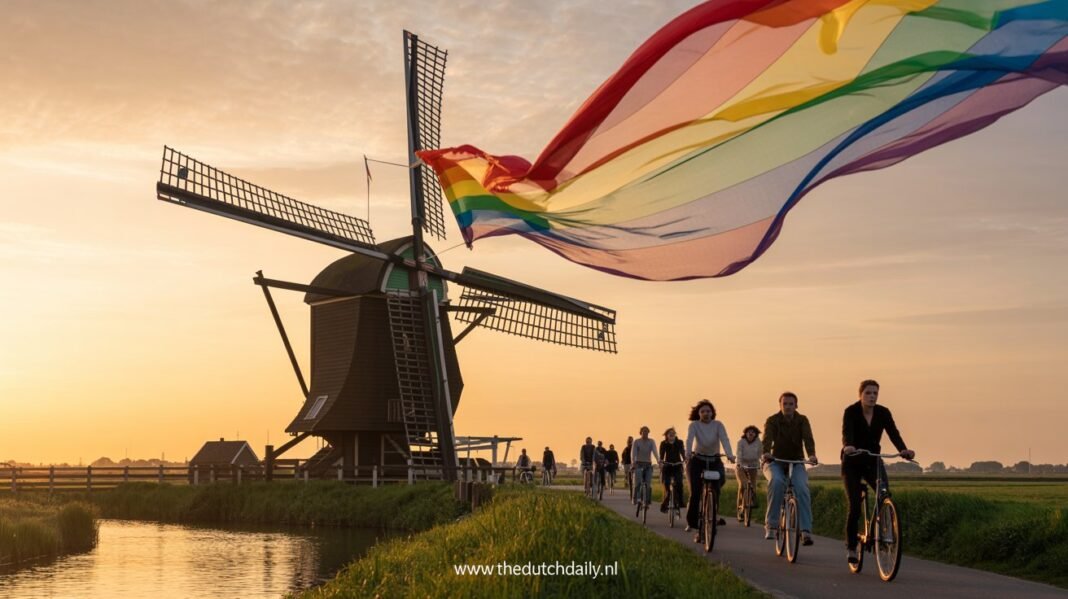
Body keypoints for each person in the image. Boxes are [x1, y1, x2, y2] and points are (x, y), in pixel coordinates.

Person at [842, 379, 915, 565]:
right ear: (860, 394)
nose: (872, 396)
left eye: (875, 393)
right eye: (868, 393)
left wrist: (903, 449)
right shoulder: (851, 411)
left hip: (872, 460)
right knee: (855, 506)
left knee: (884, 494)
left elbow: (893, 432)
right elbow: (847, 431)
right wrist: (848, 445)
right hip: (852, 461)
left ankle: (881, 532)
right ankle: (851, 546)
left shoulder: (883, 412)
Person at [762, 392, 818, 545]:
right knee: (777, 481)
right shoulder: (772, 420)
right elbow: (767, 438)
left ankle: (805, 531)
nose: (788, 406)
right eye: (785, 404)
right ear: (780, 405)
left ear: (796, 405)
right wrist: (766, 452)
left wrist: (812, 455)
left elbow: (808, 438)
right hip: (775, 461)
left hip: (796, 461)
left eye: (791, 404)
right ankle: (772, 525)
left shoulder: (802, 420)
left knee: (802, 487)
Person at [685, 399, 735, 540]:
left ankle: (712, 514)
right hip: (697, 461)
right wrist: (688, 453)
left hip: (714, 460)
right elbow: (689, 439)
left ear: (713, 413)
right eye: (703, 411)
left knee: (718, 485)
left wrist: (730, 454)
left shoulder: (718, 425)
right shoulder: (694, 425)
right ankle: (694, 523)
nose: (706, 414)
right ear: (698, 413)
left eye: (708, 411)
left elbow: (725, 439)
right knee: (695, 491)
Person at [735, 425, 762, 521]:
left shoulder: (759, 443)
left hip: (753, 466)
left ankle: (751, 503)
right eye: (749, 432)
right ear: (745, 434)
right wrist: (739, 463)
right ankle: (741, 508)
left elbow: (760, 454)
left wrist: (761, 463)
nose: (751, 433)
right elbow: (739, 453)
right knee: (743, 485)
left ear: (756, 434)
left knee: (753, 486)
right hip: (741, 466)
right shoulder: (741, 442)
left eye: (753, 432)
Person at [630, 426, 660, 507]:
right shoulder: (637, 442)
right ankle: (635, 498)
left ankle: (647, 501)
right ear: (641, 433)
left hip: (648, 464)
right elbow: (633, 453)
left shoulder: (651, 441)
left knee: (648, 483)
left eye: (647, 432)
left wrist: (658, 460)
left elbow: (655, 451)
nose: (645, 433)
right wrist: (633, 462)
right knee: (637, 482)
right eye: (644, 432)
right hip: (638, 464)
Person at [659, 427, 685, 513]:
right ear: (666, 435)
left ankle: (680, 501)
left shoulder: (679, 442)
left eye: (673, 433)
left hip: (677, 465)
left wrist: (685, 459)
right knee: (667, 486)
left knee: (679, 484)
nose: (672, 434)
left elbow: (682, 452)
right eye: (670, 433)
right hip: (667, 466)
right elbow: (662, 454)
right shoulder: (663, 443)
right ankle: (664, 505)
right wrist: (661, 462)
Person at [622, 436, 634, 500]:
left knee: (632, 477)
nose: (630, 441)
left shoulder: (634, 447)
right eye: (629, 440)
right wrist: (623, 460)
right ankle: (627, 481)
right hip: (627, 463)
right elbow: (623, 455)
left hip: (632, 463)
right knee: (627, 475)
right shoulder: (626, 448)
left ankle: (629, 483)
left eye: (631, 440)